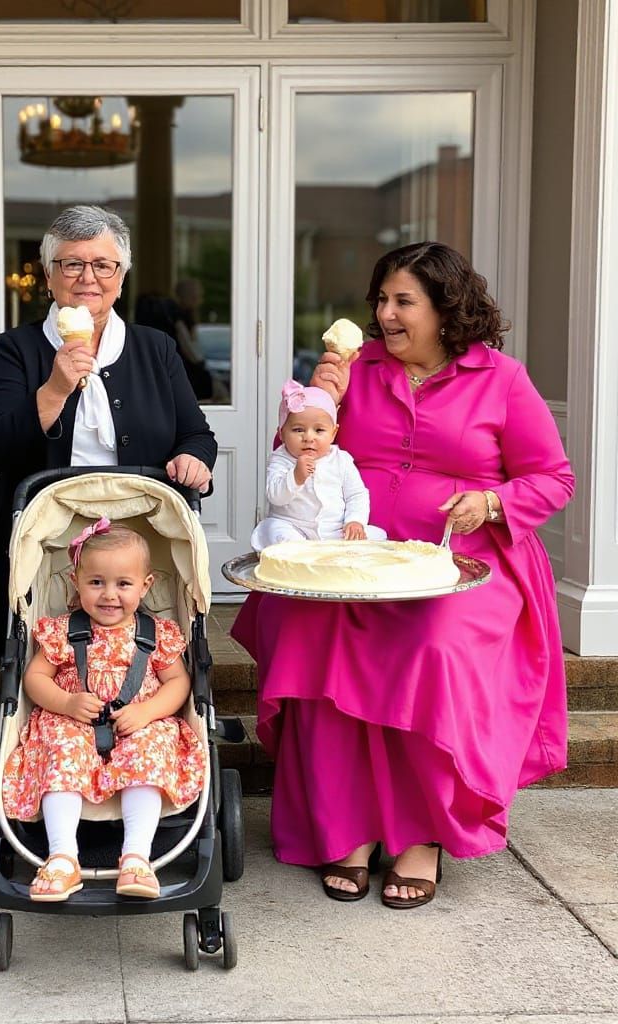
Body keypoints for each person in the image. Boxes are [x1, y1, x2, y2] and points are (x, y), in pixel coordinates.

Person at [232, 241, 574, 909]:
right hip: (352, 558)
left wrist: (492, 502)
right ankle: (347, 826)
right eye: (381, 301)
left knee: (431, 645)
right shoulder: (357, 371)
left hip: (461, 560)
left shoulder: (502, 379)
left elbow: (553, 477)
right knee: (312, 632)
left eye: (402, 302)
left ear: (446, 308)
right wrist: (315, 408)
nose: (385, 315)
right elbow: (294, 464)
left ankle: (422, 834)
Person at [0, 204, 217, 665]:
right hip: (45, 529)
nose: (88, 278)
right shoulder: (16, 348)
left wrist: (194, 458)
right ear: (48, 275)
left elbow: (197, 435)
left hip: (140, 527)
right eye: (72, 264)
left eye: (103, 264)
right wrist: (55, 389)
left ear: (121, 277)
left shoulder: (156, 347)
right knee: (47, 656)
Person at [1, 522, 205, 901]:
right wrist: (66, 702)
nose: (109, 595)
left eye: (123, 584)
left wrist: (148, 711)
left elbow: (178, 682)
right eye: (96, 582)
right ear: (75, 582)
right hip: (73, 721)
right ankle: (62, 857)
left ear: (145, 585)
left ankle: (137, 858)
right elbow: (35, 678)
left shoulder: (156, 633)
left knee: (151, 747)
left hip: (138, 722)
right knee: (60, 745)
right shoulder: (62, 631)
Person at [251, 378, 386, 550]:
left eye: (319, 430)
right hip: (293, 527)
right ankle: (299, 553)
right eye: (298, 430)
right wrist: (296, 477)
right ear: (282, 434)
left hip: (333, 530)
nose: (309, 437)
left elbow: (356, 494)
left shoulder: (341, 460)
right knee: (275, 530)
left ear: (333, 433)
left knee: (377, 536)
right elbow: (275, 496)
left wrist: (354, 521)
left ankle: (334, 553)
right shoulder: (280, 459)